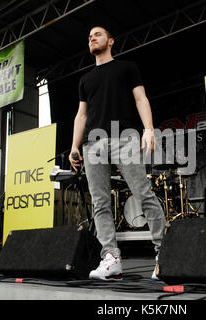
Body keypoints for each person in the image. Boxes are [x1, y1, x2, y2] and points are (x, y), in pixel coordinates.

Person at [68, 26, 166, 281]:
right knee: (100, 203)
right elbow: (82, 115)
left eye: (97, 34)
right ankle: (111, 259)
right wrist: (74, 147)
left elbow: (141, 99)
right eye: (89, 36)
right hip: (93, 144)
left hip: (124, 137)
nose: (92, 38)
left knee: (143, 193)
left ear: (111, 41)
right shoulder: (85, 79)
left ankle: (163, 254)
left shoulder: (127, 67)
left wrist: (148, 130)